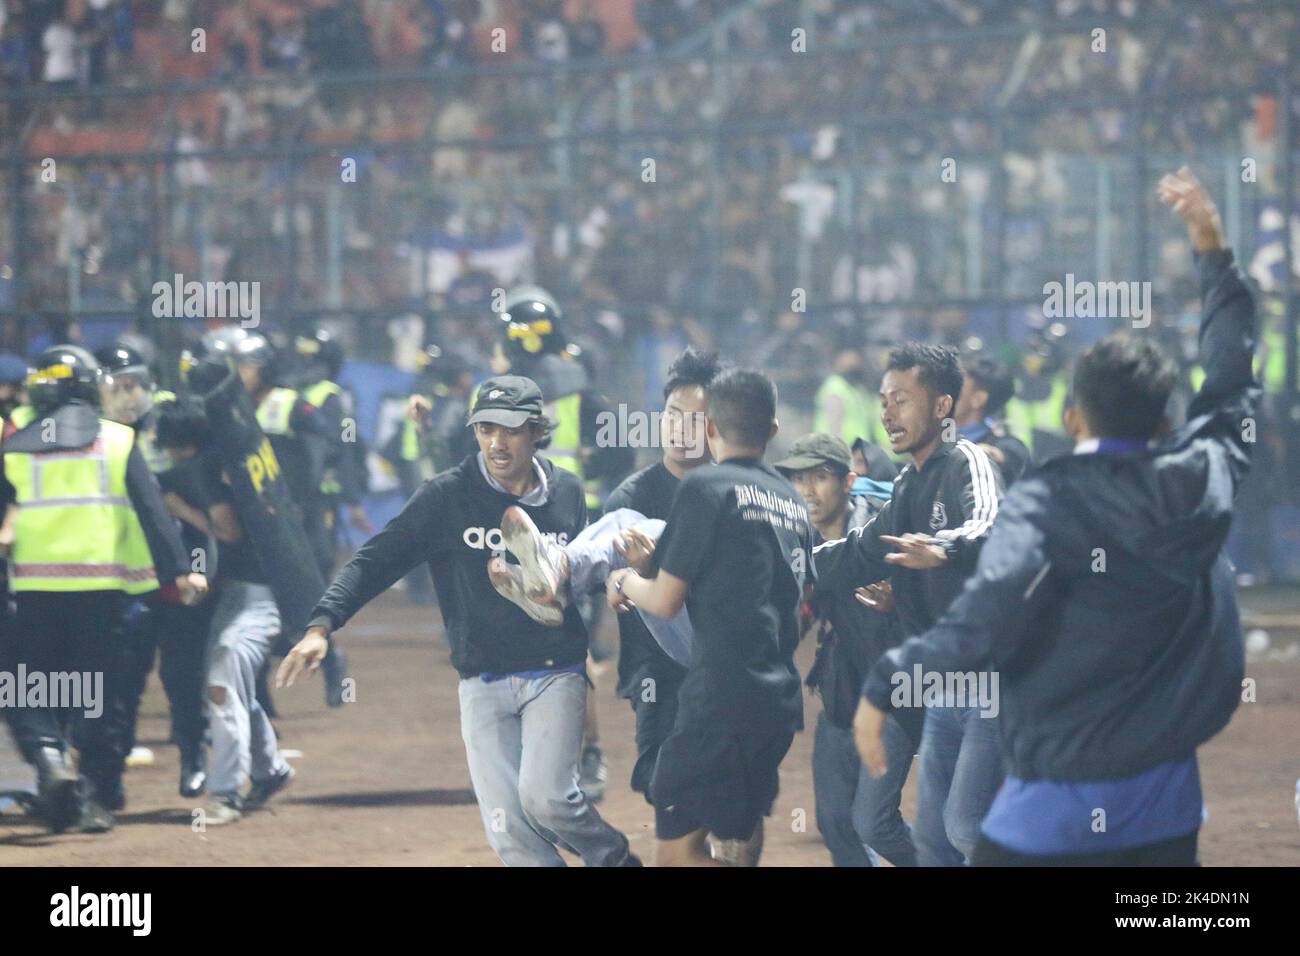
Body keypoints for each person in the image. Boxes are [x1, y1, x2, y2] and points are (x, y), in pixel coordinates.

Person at [856, 167, 1258, 867]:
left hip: (1050, 809)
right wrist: (1212, 251)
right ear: (1168, 418)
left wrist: (888, 679)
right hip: (1166, 805)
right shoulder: (1203, 475)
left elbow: (983, 616)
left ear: (1072, 416)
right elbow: (1228, 378)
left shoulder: (1047, 500)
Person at [278, 375, 637, 867]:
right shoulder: (448, 496)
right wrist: (322, 625)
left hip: (555, 670)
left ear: (535, 430)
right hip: (481, 678)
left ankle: (614, 858)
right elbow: (375, 560)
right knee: (508, 829)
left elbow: (584, 575)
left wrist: (618, 584)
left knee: (548, 799)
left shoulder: (567, 492)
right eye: (486, 428)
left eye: (510, 429)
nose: (496, 441)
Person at [606, 368, 812, 866]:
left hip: (717, 700)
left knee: (677, 855)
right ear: (774, 430)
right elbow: (800, 609)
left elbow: (663, 601)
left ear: (712, 429)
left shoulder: (706, 486)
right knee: (736, 840)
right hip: (776, 704)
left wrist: (622, 582)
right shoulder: (792, 501)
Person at [813, 344, 1004, 866]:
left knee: (966, 826)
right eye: (883, 400)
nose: (886, 412)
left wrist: (942, 549)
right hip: (942, 686)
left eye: (901, 399)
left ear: (943, 406)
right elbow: (862, 548)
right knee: (937, 843)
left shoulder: (969, 462)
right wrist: (793, 561)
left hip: (992, 679)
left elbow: (992, 526)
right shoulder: (907, 483)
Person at [0, 345, 204, 833]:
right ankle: (90, 796)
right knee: (99, 696)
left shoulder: (13, 442)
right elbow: (153, 510)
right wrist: (181, 569)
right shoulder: (116, 440)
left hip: (32, 590)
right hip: (101, 589)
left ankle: (49, 760)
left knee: (29, 685)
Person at [775, 433, 920, 867]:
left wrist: (902, 598)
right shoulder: (799, 539)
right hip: (848, 679)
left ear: (849, 481)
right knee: (836, 820)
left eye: (819, 477)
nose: (806, 491)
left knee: (878, 822)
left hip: (907, 690)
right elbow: (799, 613)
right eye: (797, 479)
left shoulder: (883, 529)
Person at [601, 346, 718, 826]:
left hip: (721, 664)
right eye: (672, 414)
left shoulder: (736, 492)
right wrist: (622, 579)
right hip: (656, 670)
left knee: (724, 788)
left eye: (695, 419)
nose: (678, 427)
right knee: (661, 783)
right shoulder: (631, 496)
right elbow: (609, 576)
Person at [95, 342, 212, 800]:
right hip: (122, 576)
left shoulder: (173, 421)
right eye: (117, 387)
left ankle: (193, 758)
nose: (127, 396)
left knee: (183, 673)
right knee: (124, 678)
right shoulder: (93, 435)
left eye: (135, 385)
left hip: (179, 574)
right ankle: (109, 778)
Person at [953, 353, 1031, 484]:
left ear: (978, 399)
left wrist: (977, 454)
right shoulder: (931, 436)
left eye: (955, 387)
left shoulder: (1005, 445)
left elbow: (1004, 455)